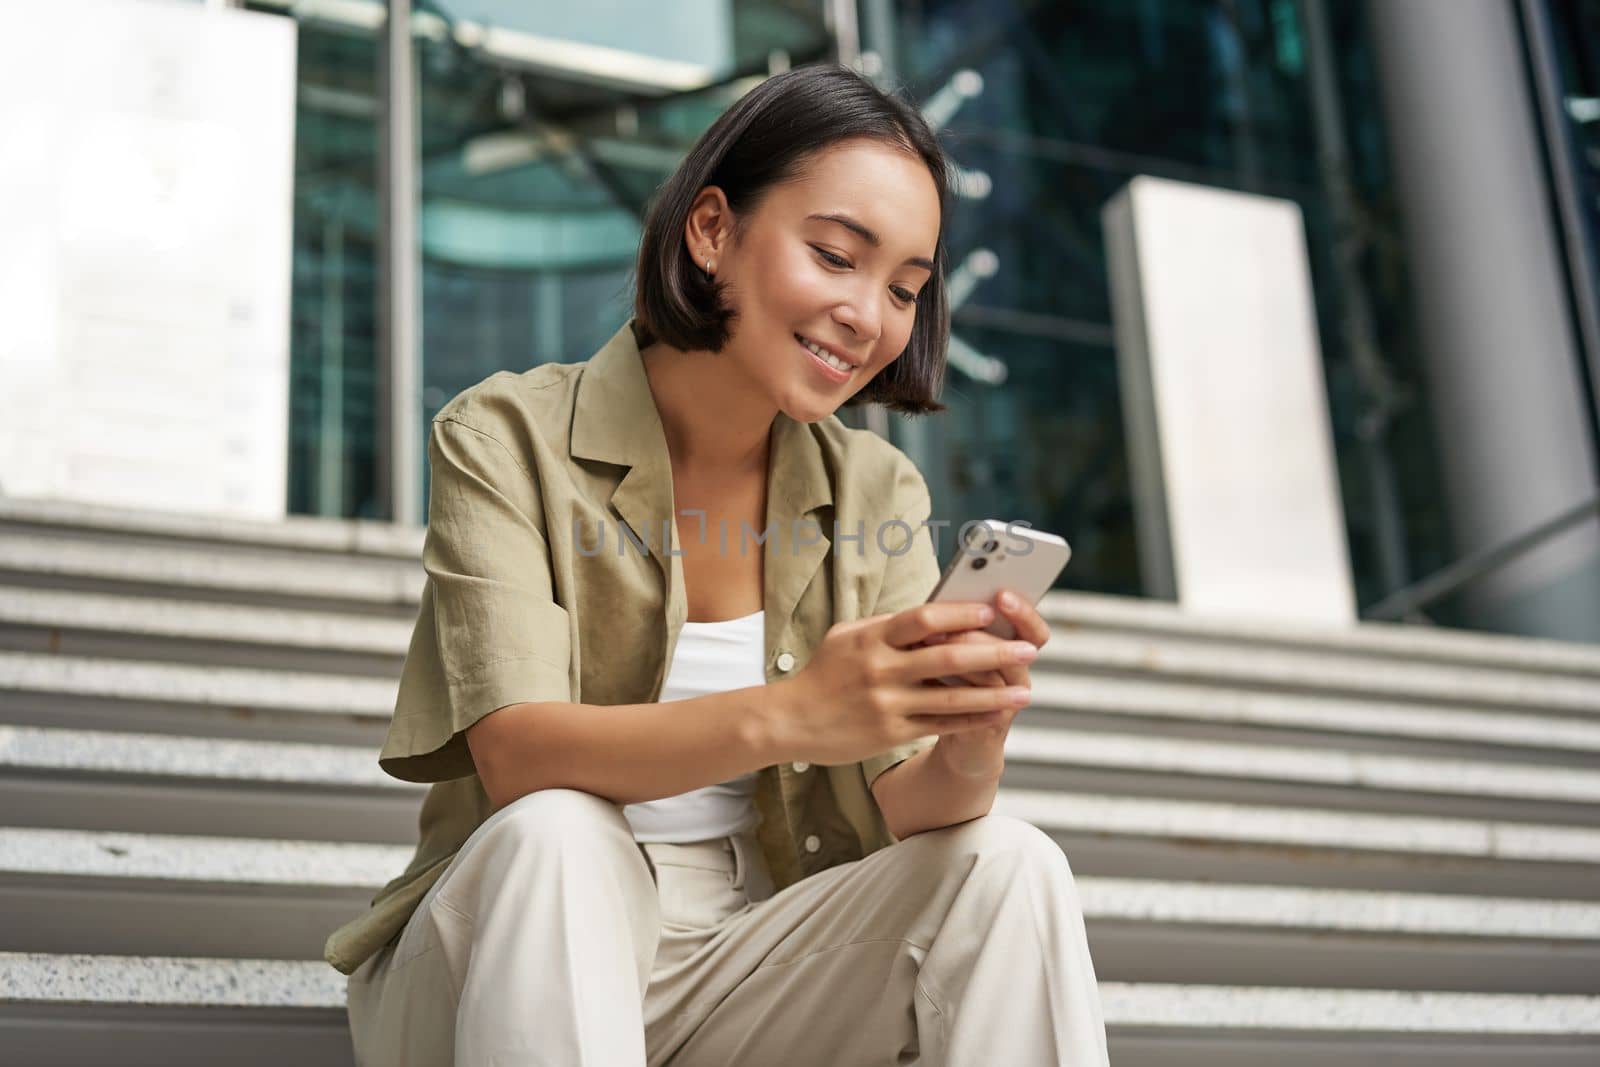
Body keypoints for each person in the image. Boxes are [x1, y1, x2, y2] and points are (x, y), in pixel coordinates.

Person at [325, 62, 1108, 1066]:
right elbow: (514, 755)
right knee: (561, 830)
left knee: (1011, 861)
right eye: (835, 255)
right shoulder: (505, 433)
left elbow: (910, 803)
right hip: (507, 942)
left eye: (905, 287)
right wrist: (791, 713)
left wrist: (969, 734)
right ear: (711, 231)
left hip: (748, 951)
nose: (869, 315)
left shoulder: (878, 491)